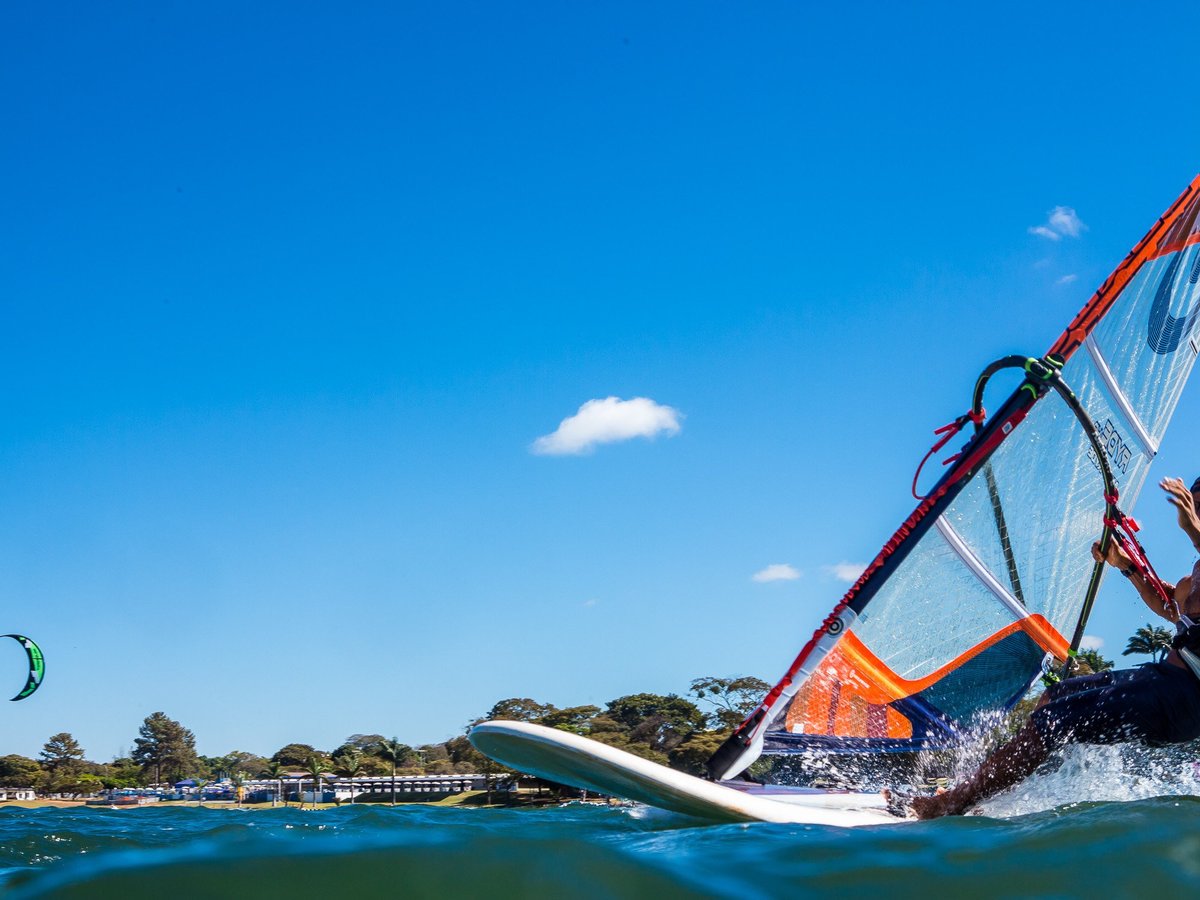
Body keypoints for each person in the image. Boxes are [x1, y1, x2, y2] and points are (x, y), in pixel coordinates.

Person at [908, 476, 1200, 819]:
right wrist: (1124, 565)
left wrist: (1194, 530)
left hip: (1185, 699)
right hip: (1162, 680)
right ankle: (981, 790)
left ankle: (953, 803)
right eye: (1191, 502)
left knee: (1054, 720)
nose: (1192, 509)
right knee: (1055, 696)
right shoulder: (1193, 576)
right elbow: (1168, 605)